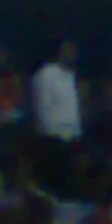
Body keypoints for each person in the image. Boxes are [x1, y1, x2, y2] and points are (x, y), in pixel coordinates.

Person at [31, 39, 82, 193]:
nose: (72, 54)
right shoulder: (46, 74)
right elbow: (43, 106)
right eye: (68, 50)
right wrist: (49, 136)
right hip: (53, 140)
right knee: (55, 184)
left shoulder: (71, 76)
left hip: (72, 138)